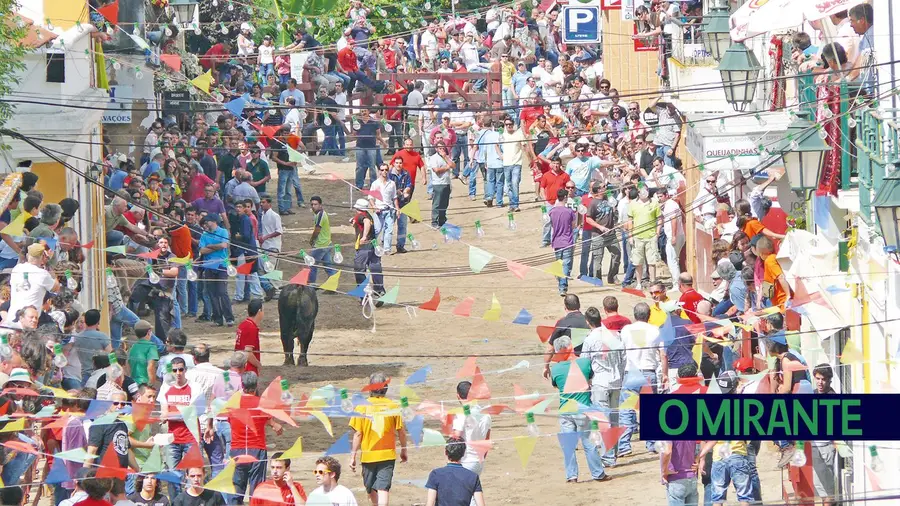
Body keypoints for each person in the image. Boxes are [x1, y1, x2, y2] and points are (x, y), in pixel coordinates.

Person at [549, 335, 609, 483]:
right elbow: (590, 379)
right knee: (589, 444)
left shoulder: (555, 369)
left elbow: (556, 385)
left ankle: (571, 476)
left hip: (565, 409)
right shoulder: (584, 362)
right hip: (583, 408)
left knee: (568, 446)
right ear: (570, 347)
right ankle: (597, 473)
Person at [349, 372, 408, 506]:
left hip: (369, 455)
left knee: (374, 487)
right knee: (381, 487)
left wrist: (353, 456)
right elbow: (402, 432)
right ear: (385, 388)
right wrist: (404, 450)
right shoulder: (393, 406)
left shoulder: (361, 407)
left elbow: (358, 433)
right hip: (387, 455)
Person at [581, 307, 626, 464]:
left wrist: (587, 381)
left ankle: (608, 456)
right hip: (616, 380)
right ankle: (612, 452)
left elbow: (584, 363)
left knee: (603, 419)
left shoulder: (590, 339)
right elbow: (623, 358)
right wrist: (620, 375)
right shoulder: (615, 335)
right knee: (614, 418)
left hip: (600, 381)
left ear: (588, 322)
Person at [230, 372, 284, 503]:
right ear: (256, 385)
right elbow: (266, 418)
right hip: (257, 449)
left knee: (237, 488)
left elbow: (230, 420)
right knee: (257, 489)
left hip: (238, 449)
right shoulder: (262, 404)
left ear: (242, 385)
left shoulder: (233, 403)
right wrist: (274, 424)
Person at [620, 302, 662, 454]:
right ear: (649, 315)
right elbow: (663, 354)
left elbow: (621, 350)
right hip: (648, 372)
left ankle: (624, 445)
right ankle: (651, 444)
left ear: (634, 315)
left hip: (631, 372)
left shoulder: (626, 330)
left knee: (626, 410)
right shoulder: (655, 330)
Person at [157, 357, 199, 496]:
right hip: (172, 438)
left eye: (181, 369)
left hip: (191, 437)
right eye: (175, 370)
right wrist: (181, 413)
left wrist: (172, 414)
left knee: (191, 475)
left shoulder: (194, 387)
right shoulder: (166, 387)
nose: (178, 373)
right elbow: (164, 414)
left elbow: (192, 413)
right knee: (173, 476)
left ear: (185, 370)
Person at [425, 437, 486, 506]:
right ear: (463, 454)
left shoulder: (436, 474)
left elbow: (430, 503)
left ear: (446, 452)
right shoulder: (473, 477)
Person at [198, 216, 235, 327]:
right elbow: (202, 250)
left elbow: (224, 245)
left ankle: (229, 318)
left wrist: (209, 246)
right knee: (212, 294)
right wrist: (215, 247)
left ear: (213, 221)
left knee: (222, 292)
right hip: (209, 266)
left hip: (221, 266)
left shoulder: (223, 232)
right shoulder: (204, 234)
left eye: (207, 221)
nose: (205, 224)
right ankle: (217, 319)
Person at [452, 381, 492, 478]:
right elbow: (486, 441)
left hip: (465, 461)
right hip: (478, 462)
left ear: (458, 396)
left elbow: (456, 438)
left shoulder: (461, 414)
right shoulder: (486, 414)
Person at [585, 182, 620, 284]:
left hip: (611, 234)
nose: (606, 187)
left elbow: (614, 208)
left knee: (617, 254)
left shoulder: (608, 198)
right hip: (598, 235)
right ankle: (598, 279)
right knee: (598, 258)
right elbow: (588, 219)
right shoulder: (593, 203)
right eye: (603, 187)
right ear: (599, 190)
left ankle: (612, 276)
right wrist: (600, 227)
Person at [351, 199, 386, 301]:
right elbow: (365, 221)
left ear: (357, 208)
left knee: (359, 270)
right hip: (373, 246)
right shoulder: (368, 215)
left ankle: (363, 294)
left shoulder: (360, 215)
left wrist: (364, 236)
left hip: (363, 248)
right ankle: (379, 291)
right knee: (375, 268)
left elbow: (366, 222)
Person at [626, 186, 660, 288]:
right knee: (638, 262)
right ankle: (639, 283)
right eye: (642, 190)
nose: (644, 192)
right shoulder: (632, 204)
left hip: (651, 236)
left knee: (652, 261)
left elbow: (659, 218)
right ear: (638, 192)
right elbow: (630, 221)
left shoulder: (654, 202)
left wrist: (657, 233)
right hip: (637, 236)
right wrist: (630, 236)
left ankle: (652, 282)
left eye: (646, 190)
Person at [548, 188, 577, 296]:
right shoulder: (569, 211)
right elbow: (573, 226)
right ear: (565, 197)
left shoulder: (552, 211)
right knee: (566, 264)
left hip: (556, 240)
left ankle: (560, 281)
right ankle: (563, 287)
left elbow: (551, 225)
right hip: (567, 241)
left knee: (559, 263)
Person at [73, 309, 113, 383]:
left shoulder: (77, 337)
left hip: (84, 375)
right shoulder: (102, 336)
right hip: (100, 375)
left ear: (85, 321)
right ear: (98, 321)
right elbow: (110, 354)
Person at [308, 196, 336, 284]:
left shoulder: (320, 215)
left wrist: (312, 240)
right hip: (327, 243)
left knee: (311, 264)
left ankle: (312, 285)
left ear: (320, 205)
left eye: (315, 204)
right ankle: (332, 285)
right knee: (328, 266)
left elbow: (317, 230)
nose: (313, 206)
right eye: (312, 204)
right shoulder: (320, 214)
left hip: (321, 245)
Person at [429, 142, 455, 227]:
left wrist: (445, 157)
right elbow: (436, 170)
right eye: (440, 148)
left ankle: (442, 220)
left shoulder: (447, 157)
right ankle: (434, 221)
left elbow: (453, 165)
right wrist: (447, 167)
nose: (442, 150)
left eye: (443, 148)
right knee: (437, 203)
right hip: (438, 183)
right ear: (436, 149)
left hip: (447, 183)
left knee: (445, 203)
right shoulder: (433, 158)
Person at [236, 299, 264, 372]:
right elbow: (248, 353)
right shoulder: (251, 328)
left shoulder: (243, 325)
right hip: (248, 369)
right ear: (259, 311)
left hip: (239, 365)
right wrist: (258, 365)